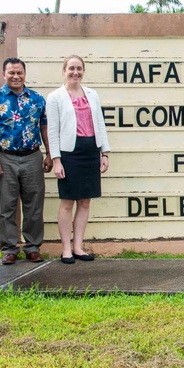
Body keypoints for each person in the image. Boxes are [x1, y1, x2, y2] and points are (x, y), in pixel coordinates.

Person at [0, 58, 51, 265]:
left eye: (19, 72)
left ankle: (33, 247)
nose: (16, 76)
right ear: (4, 74)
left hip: (32, 156)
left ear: (24, 74)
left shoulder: (36, 99)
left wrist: (49, 153)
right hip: (4, 156)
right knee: (6, 205)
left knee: (34, 205)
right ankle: (9, 248)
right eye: (11, 73)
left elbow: (44, 126)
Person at [46, 56, 111, 264]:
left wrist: (105, 153)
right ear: (64, 70)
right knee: (67, 202)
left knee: (85, 202)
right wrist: (56, 160)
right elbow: (53, 130)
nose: (76, 72)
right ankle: (66, 248)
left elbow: (100, 123)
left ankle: (78, 247)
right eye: (71, 68)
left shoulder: (92, 94)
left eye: (79, 68)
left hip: (90, 150)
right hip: (69, 153)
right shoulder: (55, 97)